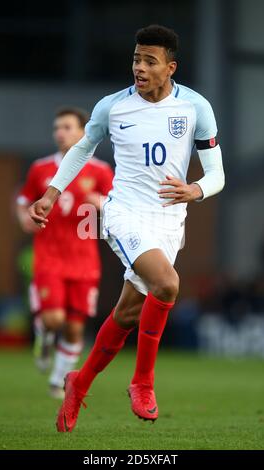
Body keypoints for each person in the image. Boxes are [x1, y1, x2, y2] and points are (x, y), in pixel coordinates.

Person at [29, 24, 225, 431]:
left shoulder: (196, 108)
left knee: (128, 312)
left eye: (149, 61)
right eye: (136, 59)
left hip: (170, 219)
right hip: (125, 214)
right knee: (167, 285)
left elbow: (217, 173)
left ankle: (78, 384)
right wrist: (51, 193)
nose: (139, 67)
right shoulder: (112, 107)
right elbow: (82, 149)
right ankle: (142, 382)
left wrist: (196, 189)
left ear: (170, 67)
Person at [16, 107, 113, 398]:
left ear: (83, 132)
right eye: (57, 127)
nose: (61, 132)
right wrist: (23, 216)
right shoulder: (41, 168)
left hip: (85, 261)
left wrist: (103, 203)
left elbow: (117, 206)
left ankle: (57, 380)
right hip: (49, 257)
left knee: (74, 327)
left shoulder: (100, 170)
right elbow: (23, 200)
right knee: (54, 319)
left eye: (68, 127)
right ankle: (43, 334)